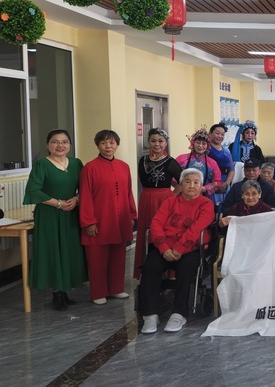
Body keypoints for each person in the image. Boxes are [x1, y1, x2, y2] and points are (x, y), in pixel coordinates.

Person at [140, 168, 215, 334]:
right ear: (181, 184)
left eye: (196, 182)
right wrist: (164, 248)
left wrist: (179, 248)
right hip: (165, 247)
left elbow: (196, 229)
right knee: (151, 267)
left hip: (190, 249)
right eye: (187, 182)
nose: (192, 186)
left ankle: (179, 313)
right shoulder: (170, 202)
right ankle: (150, 314)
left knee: (186, 268)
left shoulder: (206, 204)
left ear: (201, 185)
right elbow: (156, 224)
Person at [24, 129, 85, 311]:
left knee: (68, 250)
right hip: (49, 214)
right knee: (53, 251)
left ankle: (65, 290)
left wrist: (76, 200)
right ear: (48, 145)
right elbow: (34, 190)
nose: (60, 145)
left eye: (64, 142)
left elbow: (85, 188)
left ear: (70, 145)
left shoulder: (76, 163)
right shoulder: (42, 164)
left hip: (70, 213)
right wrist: (58, 203)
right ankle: (56, 293)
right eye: (55, 141)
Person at [79, 130, 137, 305]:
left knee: (118, 255)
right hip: (99, 219)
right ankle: (98, 292)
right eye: (103, 143)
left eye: (112, 143)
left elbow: (128, 193)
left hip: (120, 219)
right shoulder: (89, 168)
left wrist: (132, 215)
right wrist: (89, 221)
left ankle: (116, 288)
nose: (108, 146)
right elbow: (85, 196)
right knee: (97, 257)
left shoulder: (124, 166)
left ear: (117, 145)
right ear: (97, 145)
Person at [135, 128, 182, 279]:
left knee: (164, 232)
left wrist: (172, 196)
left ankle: (168, 272)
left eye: (160, 141)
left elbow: (182, 183)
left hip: (164, 200)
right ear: (148, 142)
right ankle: (147, 271)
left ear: (166, 143)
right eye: (153, 141)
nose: (157, 144)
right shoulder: (142, 160)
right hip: (146, 199)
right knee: (146, 232)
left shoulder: (171, 162)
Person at [175, 128, 222, 198]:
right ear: (193, 143)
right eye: (198, 142)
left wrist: (203, 188)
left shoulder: (213, 163)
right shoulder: (181, 159)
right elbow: (172, 178)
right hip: (182, 196)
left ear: (207, 145)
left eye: (204, 143)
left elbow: (217, 182)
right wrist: (182, 187)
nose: (200, 146)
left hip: (203, 197)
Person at [207, 122, 235, 210]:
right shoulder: (206, 149)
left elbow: (231, 169)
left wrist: (226, 183)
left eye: (222, 134)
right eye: (217, 133)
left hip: (225, 185)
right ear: (210, 134)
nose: (220, 136)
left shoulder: (227, 151)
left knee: (225, 209)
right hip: (210, 184)